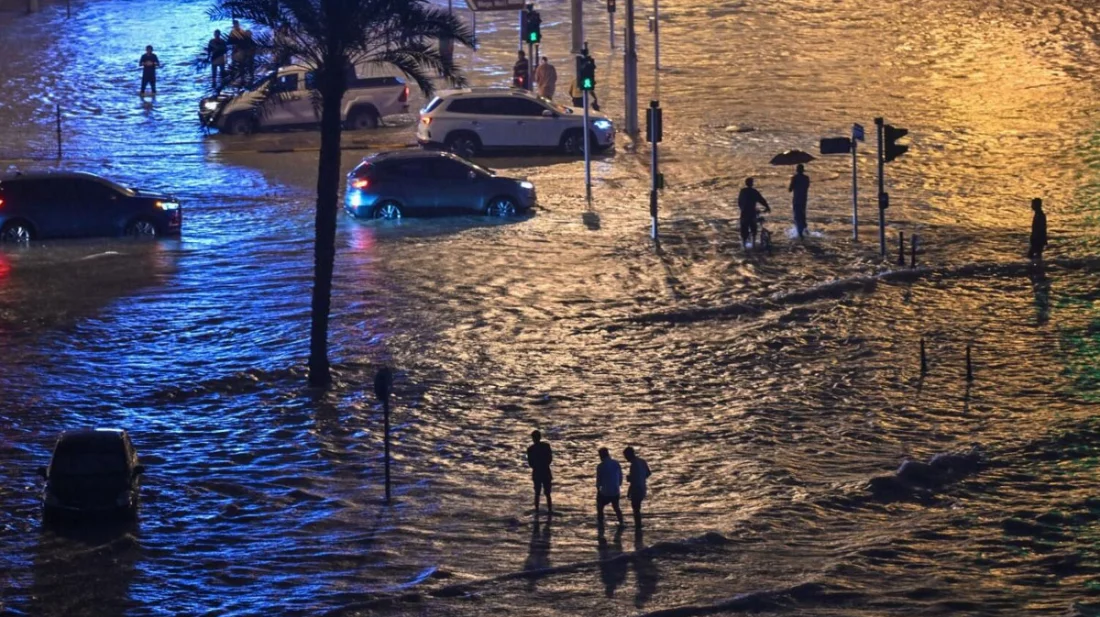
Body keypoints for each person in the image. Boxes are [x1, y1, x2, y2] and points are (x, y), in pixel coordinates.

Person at [737, 178, 770, 248]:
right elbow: (761, 200)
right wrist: (767, 207)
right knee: (753, 229)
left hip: (744, 213)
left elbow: (739, 202)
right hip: (752, 213)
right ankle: (754, 245)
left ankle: (744, 246)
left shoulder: (742, 191)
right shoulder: (754, 191)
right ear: (752, 183)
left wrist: (742, 208)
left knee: (744, 230)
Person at [623, 447, 651, 529]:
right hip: (643, 486)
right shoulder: (642, 461)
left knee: (635, 508)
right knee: (637, 507)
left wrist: (629, 490)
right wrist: (642, 478)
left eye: (625, 456)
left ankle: (638, 526)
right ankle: (638, 525)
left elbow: (633, 480)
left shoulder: (633, 465)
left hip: (637, 488)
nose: (625, 458)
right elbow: (648, 473)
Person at [526, 430, 553, 515]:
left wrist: (538, 466)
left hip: (538, 472)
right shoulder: (546, 446)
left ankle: (538, 510)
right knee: (546, 493)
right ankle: (549, 510)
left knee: (538, 493)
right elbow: (550, 459)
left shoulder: (531, 449)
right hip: (544, 471)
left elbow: (530, 463)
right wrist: (543, 464)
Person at [596, 447, 624, 527]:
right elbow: (620, 478)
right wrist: (618, 486)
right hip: (615, 491)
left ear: (601, 455)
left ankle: (600, 523)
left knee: (600, 506)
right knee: (616, 507)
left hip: (606, 492)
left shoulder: (600, 466)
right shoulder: (616, 463)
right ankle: (621, 522)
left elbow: (599, 481)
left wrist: (598, 491)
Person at [788, 164, 810, 239]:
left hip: (796, 200)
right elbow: (807, 187)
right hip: (803, 199)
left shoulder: (794, 178)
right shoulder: (806, 178)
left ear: (797, 170)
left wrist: (792, 181)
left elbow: (790, 189)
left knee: (797, 216)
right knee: (803, 215)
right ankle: (806, 230)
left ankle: (800, 234)